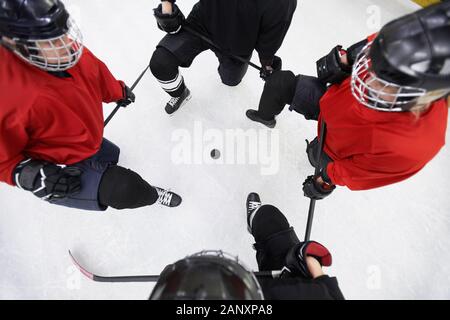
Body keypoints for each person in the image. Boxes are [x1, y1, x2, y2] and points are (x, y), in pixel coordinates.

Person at [246, 2, 450, 200]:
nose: (365, 77)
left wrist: (326, 179)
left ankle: (314, 152)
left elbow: (358, 171)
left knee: (317, 155)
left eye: (384, 83)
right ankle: (268, 118)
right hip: (332, 99)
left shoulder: (414, 146)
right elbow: (372, 42)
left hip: (338, 147)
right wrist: (348, 58)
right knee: (281, 83)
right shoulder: (402, 42)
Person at [0, 0, 182, 211]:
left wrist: (118, 91)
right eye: (50, 41)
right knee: (125, 189)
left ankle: (102, 160)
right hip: (60, 170)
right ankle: (149, 194)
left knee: (109, 154)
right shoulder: (8, 99)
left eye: (61, 33)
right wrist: (29, 175)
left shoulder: (65, 51)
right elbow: (4, 162)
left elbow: (95, 71)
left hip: (87, 138)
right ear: (16, 45)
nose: (66, 45)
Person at [149, 193, 344, 300]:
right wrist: (304, 262)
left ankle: (257, 222)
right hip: (276, 290)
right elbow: (324, 288)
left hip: (256, 291)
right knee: (270, 218)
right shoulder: (312, 296)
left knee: (267, 217)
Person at [150, 0, 297, 114]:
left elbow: (271, 37)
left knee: (231, 81)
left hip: (237, 44)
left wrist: (267, 62)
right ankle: (180, 93)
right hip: (202, 23)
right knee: (161, 62)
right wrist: (167, 7)